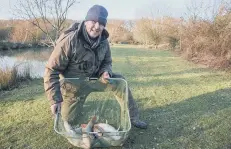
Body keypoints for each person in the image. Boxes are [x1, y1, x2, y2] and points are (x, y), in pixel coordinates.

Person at [44, 4, 147, 129]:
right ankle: (74, 104)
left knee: (120, 82)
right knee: (68, 119)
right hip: (75, 86)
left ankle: (133, 117)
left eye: (101, 23)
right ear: (86, 21)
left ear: (104, 25)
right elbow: (51, 70)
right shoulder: (70, 40)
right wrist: (54, 100)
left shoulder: (104, 41)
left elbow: (107, 61)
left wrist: (105, 71)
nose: (97, 27)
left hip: (96, 80)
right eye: (93, 21)